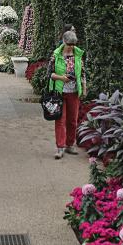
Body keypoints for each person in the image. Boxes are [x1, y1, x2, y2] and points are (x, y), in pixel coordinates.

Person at [49, 30, 87, 160]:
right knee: (60, 120)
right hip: (59, 93)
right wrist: (61, 78)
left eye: (73, 44)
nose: (71, 46)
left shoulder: (78, 54)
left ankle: (70, 145)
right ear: (64, 42)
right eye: (69, 44)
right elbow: (50, 74)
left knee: (72, 120)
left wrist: (84, 88)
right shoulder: (56, 55)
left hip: (74, 92)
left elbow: (82, 73)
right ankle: (60, 147)